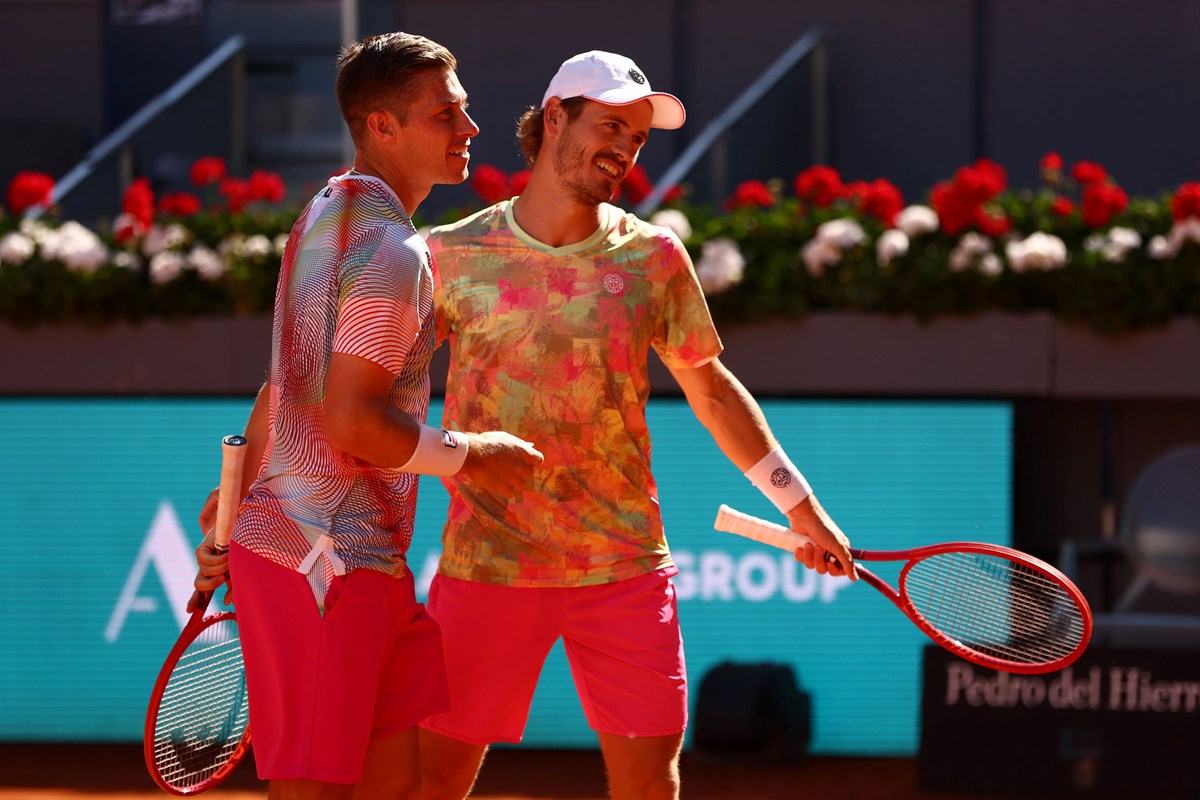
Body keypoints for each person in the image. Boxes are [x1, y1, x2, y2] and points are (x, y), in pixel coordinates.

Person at [417, 50, 858, 800]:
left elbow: (711, 390)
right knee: (431, 786)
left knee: (651, 789)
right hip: (487, 566)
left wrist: (803, 511)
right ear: (554, 118)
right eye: (612, 125)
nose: (625, 148)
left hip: (622, 568)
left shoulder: (654, 257)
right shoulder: (451, 255)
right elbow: (367, 387)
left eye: (640, 136)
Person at [192, 32, 543, 800]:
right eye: (445, 114)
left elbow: (287, 384)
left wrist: (240, 501)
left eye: (465, 109)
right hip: (321, 568)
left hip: (353, 565)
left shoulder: (324, 210)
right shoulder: (395, 252)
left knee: (403, 787)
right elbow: (349, 422)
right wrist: (473, 454)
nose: (469, 129)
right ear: (382, 126)